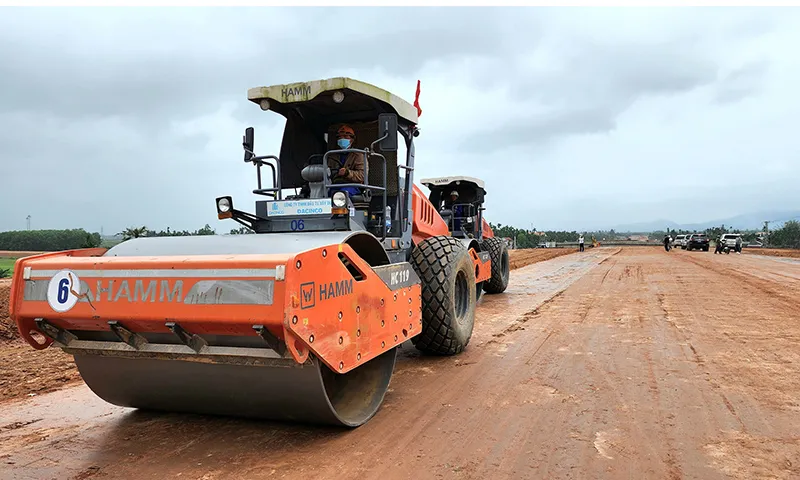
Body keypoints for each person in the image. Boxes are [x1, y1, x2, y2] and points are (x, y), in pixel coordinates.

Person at [327, 124, 365, 197]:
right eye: (340, 137)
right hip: (335, 184)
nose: (342, 139)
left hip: (353, 185)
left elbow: (362, 175)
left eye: (345, 137)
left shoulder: (359, 155)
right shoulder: (332, 155)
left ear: (352, 140)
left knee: (342, 194)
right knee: (326, 195)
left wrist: (347, 173)